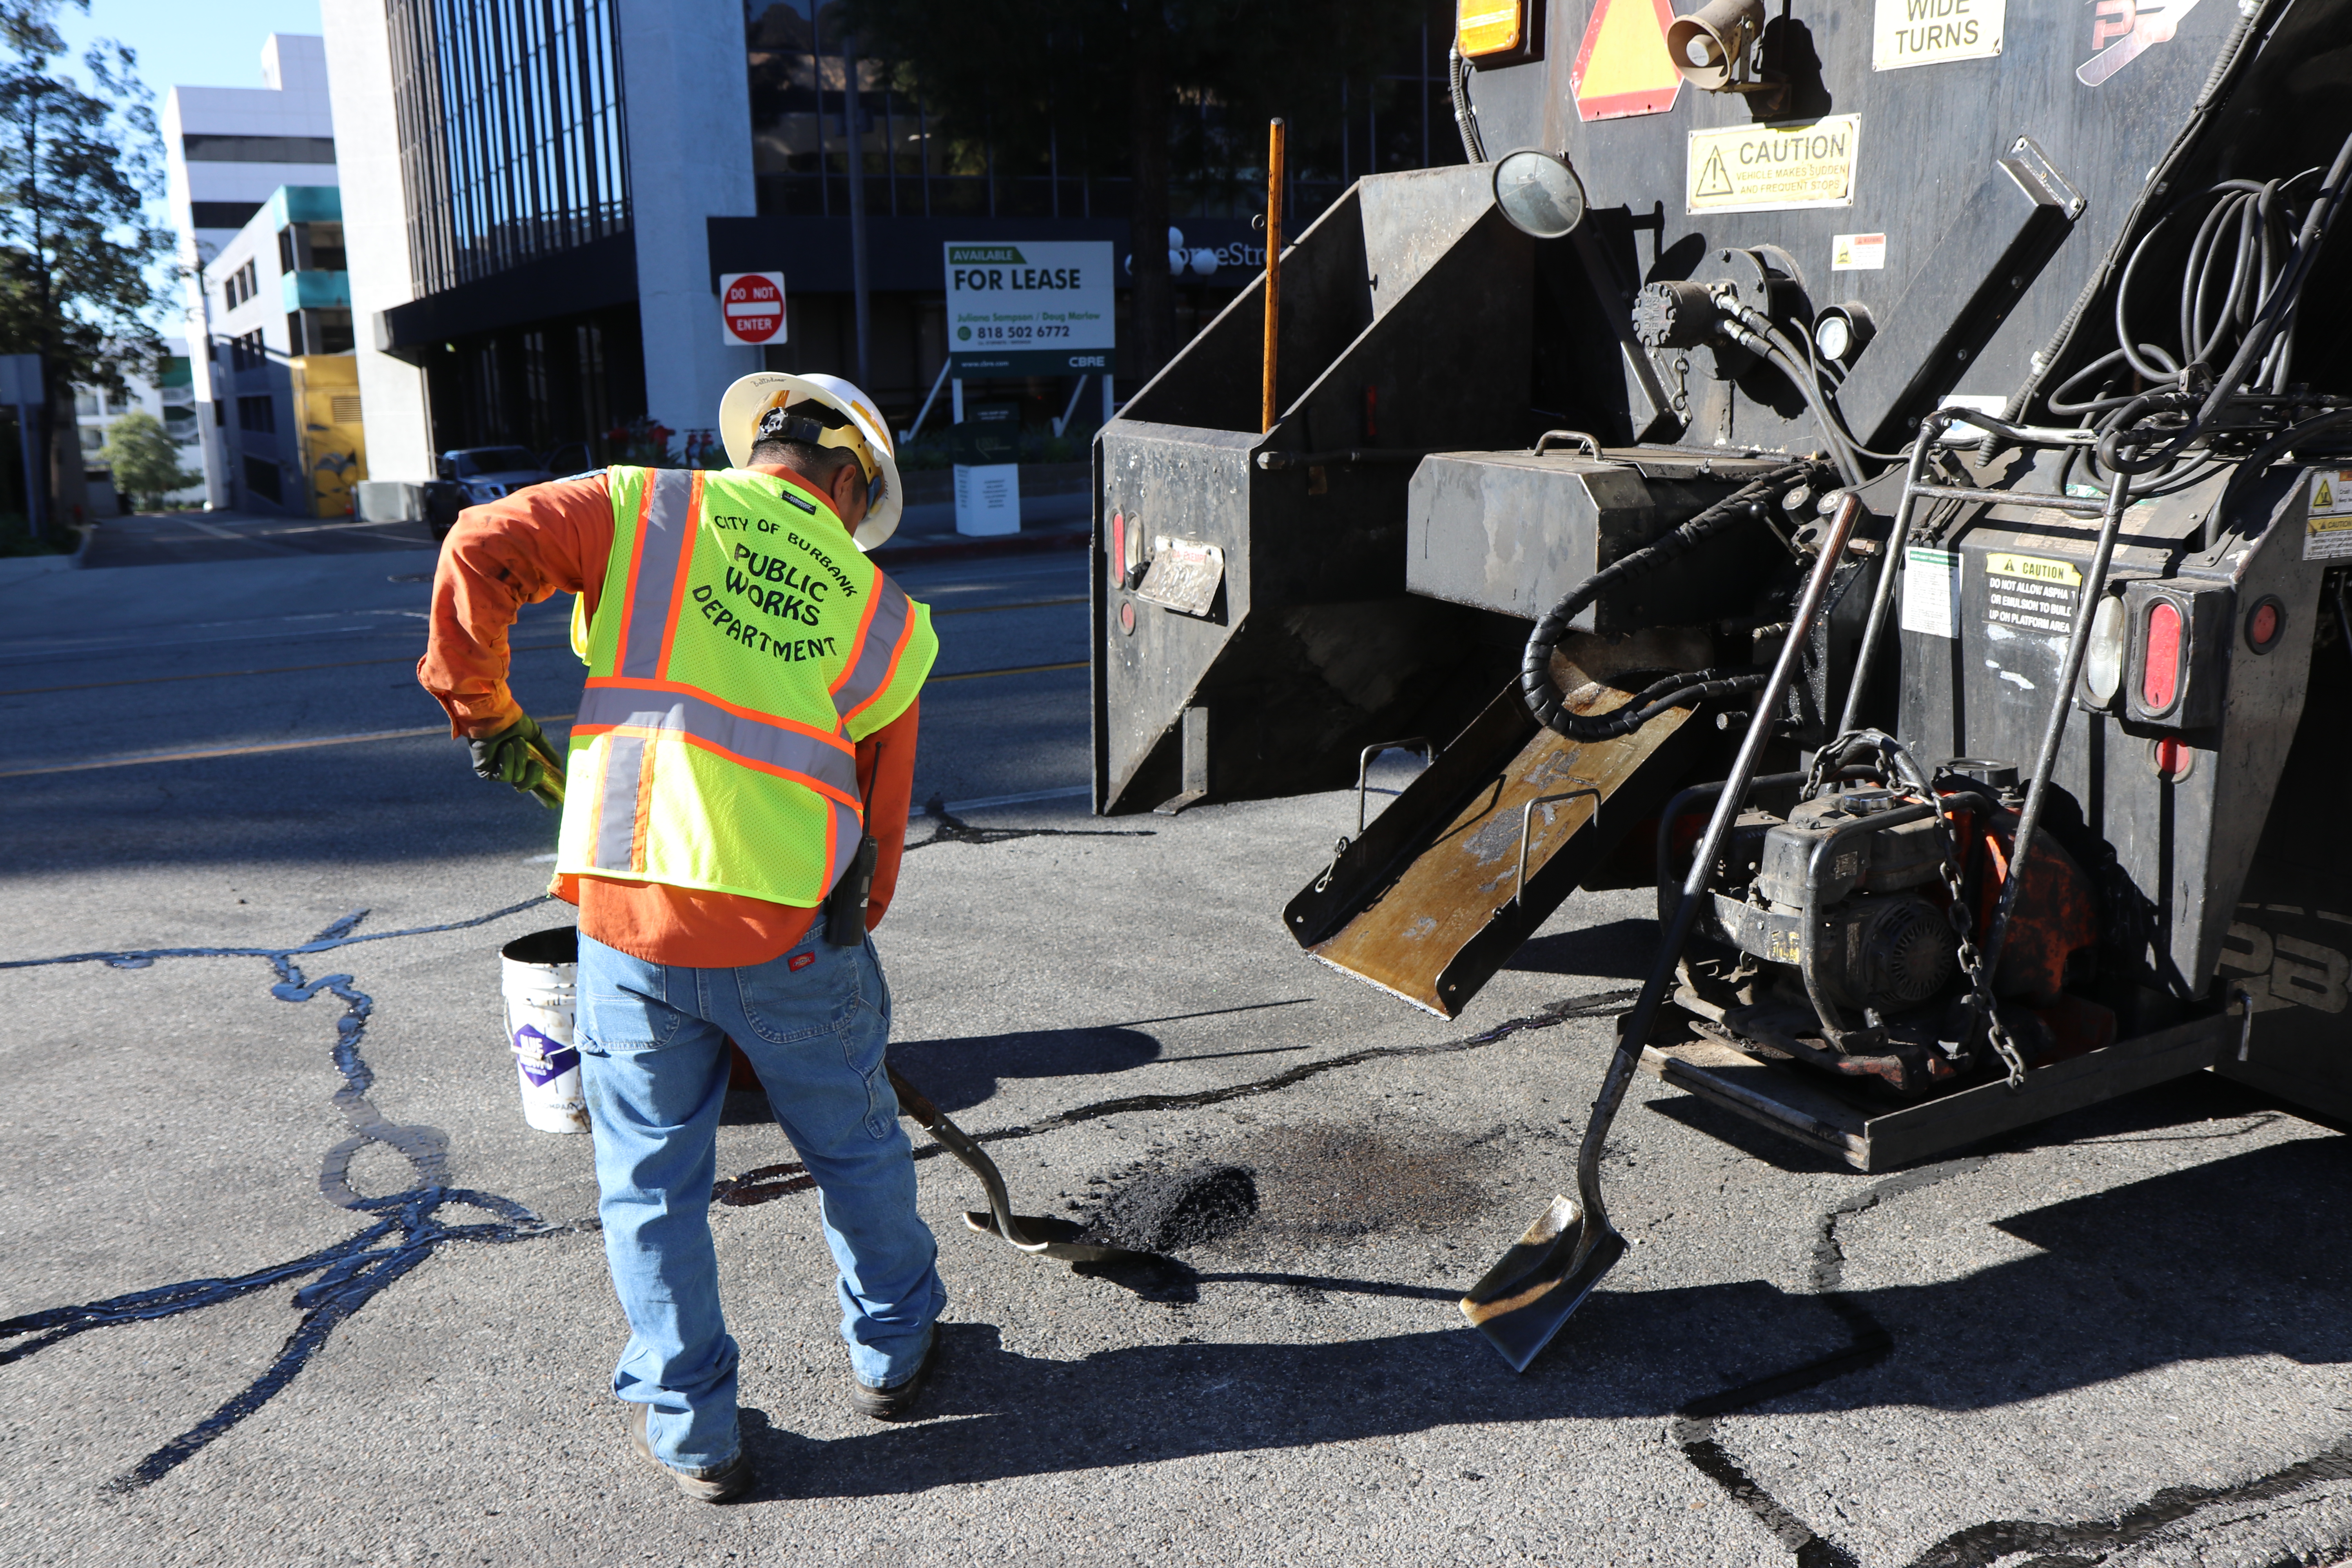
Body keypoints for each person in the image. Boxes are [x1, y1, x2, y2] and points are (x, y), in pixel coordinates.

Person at [417, 372, 942, 1503]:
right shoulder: (890, 617)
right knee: (856, 1150)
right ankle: (894, 1352)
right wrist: (850, 943)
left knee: (650, 1186)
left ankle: (695, 1429)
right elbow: (881, 825)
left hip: (629, 923)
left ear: (765, 445)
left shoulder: (646, 510)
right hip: (793, 933)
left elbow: (480, 543)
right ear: (850, 481)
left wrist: (486, 710)